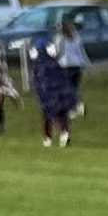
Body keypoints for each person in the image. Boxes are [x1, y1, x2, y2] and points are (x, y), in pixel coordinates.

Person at [28, 12, 86, 149]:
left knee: (48, 112)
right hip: (74, 68)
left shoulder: (40, 63)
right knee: (63, 106)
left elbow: (37, 81)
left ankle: (48, 137)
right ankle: (70, 116)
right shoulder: (75, 37)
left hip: (57, 77)